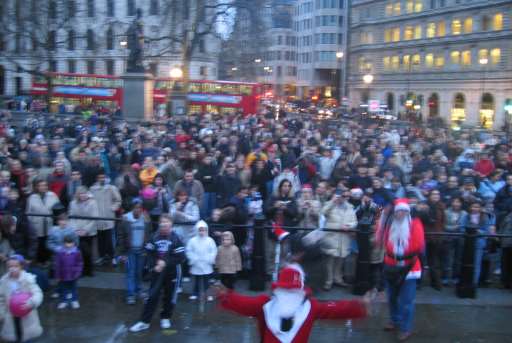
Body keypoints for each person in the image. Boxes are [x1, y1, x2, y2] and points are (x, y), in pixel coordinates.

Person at [217, 264, 369, 343]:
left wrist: (358, 306)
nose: (289, 294)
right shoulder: (267, 305)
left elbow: (335, 309)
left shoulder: (267, 304)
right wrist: (359, 306)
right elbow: (334, 308)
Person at [129, 214, 185, 332]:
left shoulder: (176, 238)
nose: (164, 224)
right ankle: (144, 321)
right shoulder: (154, 236)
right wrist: (154, 264)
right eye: (162, 222)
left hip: (172, 271)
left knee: (170, 296)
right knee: (152, 295)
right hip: (157, 271)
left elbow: (180, 257)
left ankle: (165, 317)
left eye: (167, 222)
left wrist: (165, 262)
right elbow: (148, 253)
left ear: (171, 224)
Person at [379, 199, 425, 341]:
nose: (401, 214)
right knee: (392, 297)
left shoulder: (415, 224)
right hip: (391, 265)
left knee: (407, 301)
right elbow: (379, 239)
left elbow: (418, 245)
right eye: (399, 211)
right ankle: (395, 320)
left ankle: (406, 328)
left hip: (409, 268)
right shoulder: (388, 223)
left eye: (404, 211)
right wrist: (382, 219)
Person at [0, 255, 43, 342]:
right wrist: (1, 313)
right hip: (11, 315)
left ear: (21, 266)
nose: (12, 268)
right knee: (15, 335)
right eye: (10, 266)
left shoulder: (28, 279)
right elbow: (1, 298)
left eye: (16, 266)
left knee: (27, 337)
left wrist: (32, 302)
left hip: (27, 313)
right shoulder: (4, 281)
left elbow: (37, 293)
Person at [321, 189, 357, 290]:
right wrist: (332, 202)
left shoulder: (350, 207)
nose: (343, 198)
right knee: (330, 261)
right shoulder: (329, 204)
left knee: (340, 260)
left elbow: (354, 221)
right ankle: (329, 281)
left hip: (344, 237)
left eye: (345, 196)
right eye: (341, 196)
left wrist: (349, 226)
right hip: (332, 236)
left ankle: (338, 279)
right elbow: (323, 213)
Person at [118, 199, 152, 305]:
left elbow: (149, 233)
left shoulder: (145, 218)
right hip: (130, 251)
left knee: (139, 272)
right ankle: (130, 294)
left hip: (141, 250)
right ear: (132, 208)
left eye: (139, 208)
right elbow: (121, 236)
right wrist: (122, 253)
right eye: (135, 207)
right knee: (130, 272)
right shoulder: (125, 219)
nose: (138, 210)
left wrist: (147, 249)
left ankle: (139, 290)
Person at [89, 171, 121, 266]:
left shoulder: (111, 188)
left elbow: (118, 200)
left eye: (103, 177)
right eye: (100, 177)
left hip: (108, 217)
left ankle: (112, 257)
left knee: (110, 240)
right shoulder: (92, 189)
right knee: (100, 240)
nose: (102, 179)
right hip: (98, 218)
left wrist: (113, 208)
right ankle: (102, 256)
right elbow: (90, 201)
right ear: (97, 178)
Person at [25, 179, 60, 265]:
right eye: (40, 185)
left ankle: (47, 260)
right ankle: (39, 261)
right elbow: (28, 213)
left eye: (44, 185)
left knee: (48, 242)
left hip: (49, 223)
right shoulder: (32, 197)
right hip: (37, 224)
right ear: (37, 187)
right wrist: (30, 224)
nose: (43, 187)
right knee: (39, 243)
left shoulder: (53, 195)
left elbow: (59, 209)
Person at [68, 186, 99, 277]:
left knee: (88, 252)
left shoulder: (93, 203)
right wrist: (75, 229)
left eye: (84, 193)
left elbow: (94, 218)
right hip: (77, 230)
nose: (83, 195)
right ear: (77, 194)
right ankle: (80, 270)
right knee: (79, 252)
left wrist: (85, 230)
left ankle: (89, 270)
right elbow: (71, 217)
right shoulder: (72, 203)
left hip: (89, 231)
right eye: (81, 193)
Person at [185, 220, 217, 301]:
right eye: (200, 230)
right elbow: (188, 250)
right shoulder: (192, 241)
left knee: (207, 280)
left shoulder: (210, 240)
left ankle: (207, 293)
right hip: (196, 264)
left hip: (206, 264)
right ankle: (195, 293)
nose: (202, 232)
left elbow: (213, 250)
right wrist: (193, 259)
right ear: (197, 230)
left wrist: (210, 259)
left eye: (204, 230)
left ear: (206, 230)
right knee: (196, 280)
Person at [55, 235, 83, 310]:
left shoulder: (77, 252)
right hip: (63, 275)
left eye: (70, 243)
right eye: (67, 243)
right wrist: (57, 276)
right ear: (64, 243)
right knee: (64, 288)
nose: (69, 245)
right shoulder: (60, 252)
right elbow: (58, 265)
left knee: (74, 288)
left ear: (74, 243)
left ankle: (74, 300)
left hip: (73, 275)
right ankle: (64, 301)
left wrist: (78, 273)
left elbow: (79, 263)